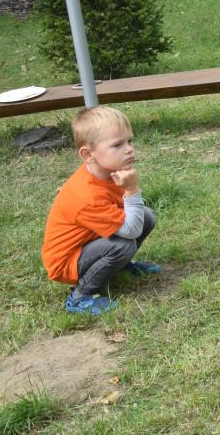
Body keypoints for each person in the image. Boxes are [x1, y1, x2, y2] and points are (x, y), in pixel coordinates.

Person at [42, 106, 159, 315]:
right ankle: (81, 296)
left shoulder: (107, 172)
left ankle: (120, 266)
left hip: (89, 242)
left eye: (129, 141)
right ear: (88, 154)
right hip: (67, 261)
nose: (129, 149)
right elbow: (131, 230)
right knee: (123, 245)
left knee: (146, 217)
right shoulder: (87, 195)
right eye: (117, 145)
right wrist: (132, 189)